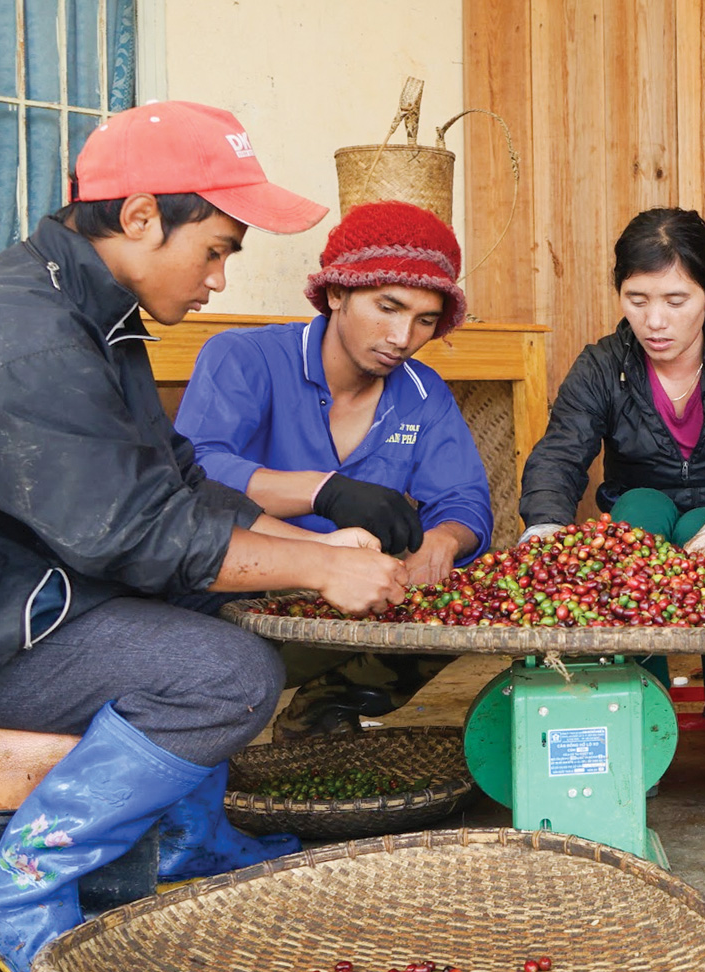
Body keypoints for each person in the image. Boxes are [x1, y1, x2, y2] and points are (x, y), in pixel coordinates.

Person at [0, 100, 410, 972]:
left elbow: (171, 480)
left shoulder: (94, 310)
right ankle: (10, 895)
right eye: (214, 248)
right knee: (227, 675)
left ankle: (182, 843)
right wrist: (322, 566)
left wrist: (302, 540)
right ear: (140, 216)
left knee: (252, 603)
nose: (218, 278)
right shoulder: (22, 341)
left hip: (30, 583)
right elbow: (136, 535)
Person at [176, 201, 492, 739]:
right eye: (388, 307)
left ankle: (328, 711)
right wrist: (323, 491)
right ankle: (198, 724)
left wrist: (442, 540)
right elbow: (195, 474)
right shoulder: (242, 357)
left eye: (425, 320)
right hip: (232, 597)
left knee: (465, 598)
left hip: (352, 595)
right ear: (338, 292)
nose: (402, 337)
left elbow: (465, 499)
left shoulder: (422, 394)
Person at [518, 208, 705, 699]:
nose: (655, 321)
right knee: (635, 513)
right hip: (643, 518)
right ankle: (641, 713)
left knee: (704, 536)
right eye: (637, 299)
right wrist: (544, 526)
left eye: (676, 300)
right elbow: (559, 455)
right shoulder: (604, 365)